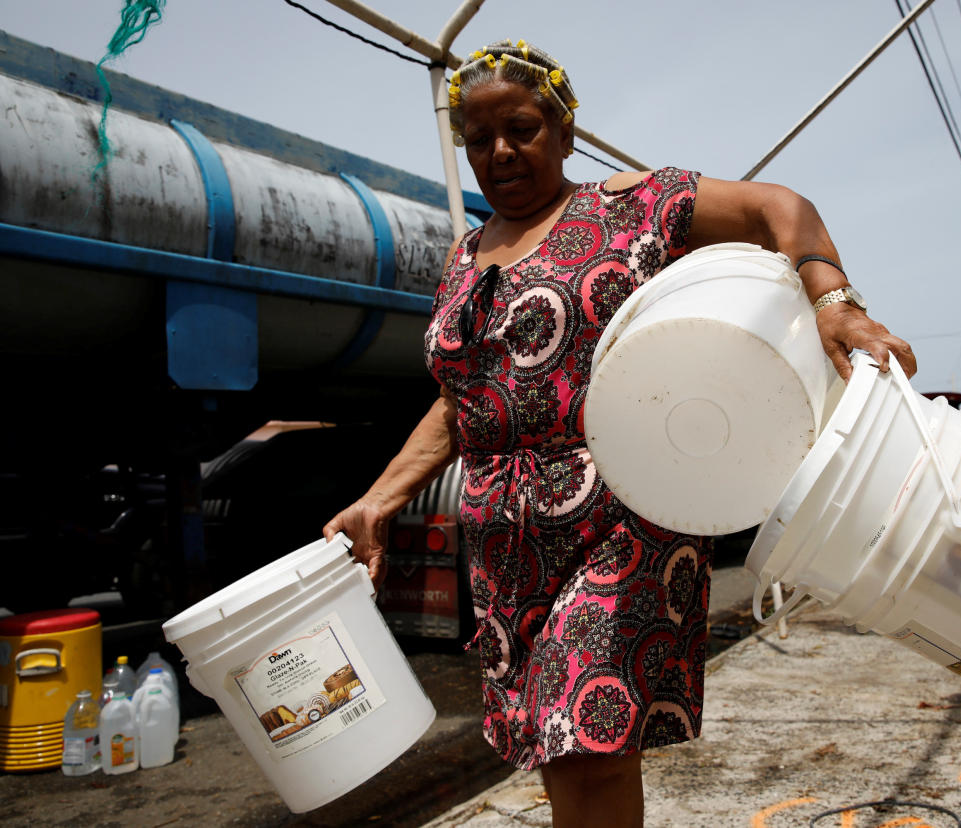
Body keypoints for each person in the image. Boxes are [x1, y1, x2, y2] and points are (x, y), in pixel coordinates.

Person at [323, 39, 916, 828]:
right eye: (478, 138)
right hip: (503, 543)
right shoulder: (466, 258)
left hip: (620, 513)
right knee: (552, 745)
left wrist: (833, 297)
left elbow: (782, 207)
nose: (499, 151)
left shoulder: (627, 207)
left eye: (523, 128)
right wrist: (379, 499)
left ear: (565, 131)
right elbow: (460, 402)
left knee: (590, 742)